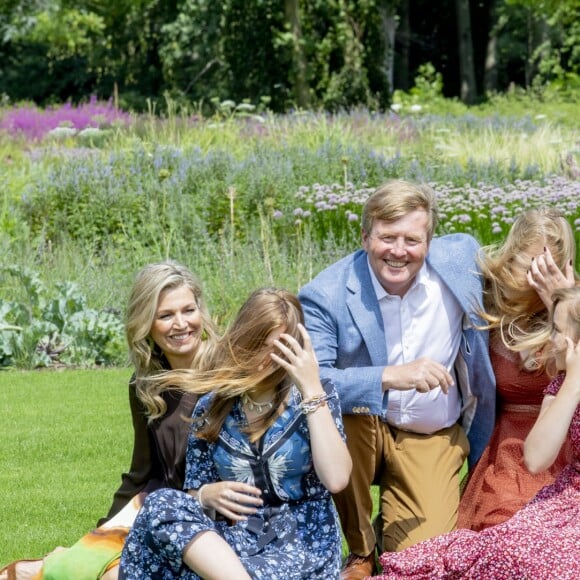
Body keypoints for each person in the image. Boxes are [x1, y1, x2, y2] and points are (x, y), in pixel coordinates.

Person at [298, 179, 495, 579]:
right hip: (362, 430)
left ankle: (395, 537)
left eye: (412, 239)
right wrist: (389, 377)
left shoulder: (461, 261)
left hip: (429, 433)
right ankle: (360, 549)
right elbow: (312, 382)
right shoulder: (325, 294)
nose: (399, 252)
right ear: (365, 235)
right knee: (342, 413)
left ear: (430, 240)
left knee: (421, 564)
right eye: (387, 237)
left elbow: (521, 268)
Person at [0, 261, 218, 580]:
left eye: (189, 310)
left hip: (208, 512)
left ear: (201, 310)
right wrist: (100, 534)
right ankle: (51, 564)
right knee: (75, 568)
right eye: (166, 315)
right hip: (155, 508)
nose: (181, 324)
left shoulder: (228, 372)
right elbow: (142, 473)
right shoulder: (145, 384)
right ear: (146, 323)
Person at [118, 288, 352, 579]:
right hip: (231, 547)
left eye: (277, 348)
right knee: (159, 503)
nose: (264, 359)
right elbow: (192, 491)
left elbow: (337, 478)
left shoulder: (316, 396)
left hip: (300, 547)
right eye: (256, 345)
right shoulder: (213, 405)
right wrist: (205, 495)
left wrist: (311, 388)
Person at [372, 286, 580, 579]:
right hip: (566, 501)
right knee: (507, 549)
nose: (551, 340)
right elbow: (535, 459)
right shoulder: (562, 385)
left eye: (557, 330)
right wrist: (573, 385)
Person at [457, 208, 577, 530]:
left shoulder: (574, 305)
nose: (536, 277)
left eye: (546, 267)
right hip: (508, 443)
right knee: (502, 519)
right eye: (528, 265)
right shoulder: (490, 299)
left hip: (562, 440)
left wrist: (560, 306)